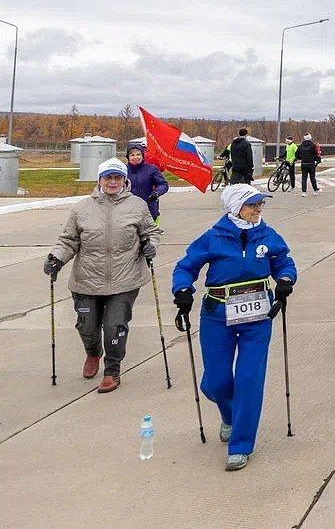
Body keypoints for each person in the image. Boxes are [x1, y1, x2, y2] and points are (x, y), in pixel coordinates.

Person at [172, 184, 296, 470]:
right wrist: (182, 290)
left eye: (260, 204)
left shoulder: (267, 234)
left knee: (249, 379)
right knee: (216, 382)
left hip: (257, 315)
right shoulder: (214, 236)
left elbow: (283, 261)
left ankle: (240, 444)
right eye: (253, 204)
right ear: (235, 207)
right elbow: (186, 266)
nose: (259, 209)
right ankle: (229, 415)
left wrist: (286, 280)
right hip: (218, 313)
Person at [43, 158, 158, 394]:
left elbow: (151, 232)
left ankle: (112, 371)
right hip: (86, 280)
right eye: (108, 177)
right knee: (87, 327)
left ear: (125, 180)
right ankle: (93, 353)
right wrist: (56, 257)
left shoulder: (137, 206)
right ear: (99, 180)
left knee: (115, 326)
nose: (113, 182)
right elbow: (69, 240)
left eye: (117, 177)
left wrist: (150, 245)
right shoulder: (82, 208)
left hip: (124, 279)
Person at [126, 141, 169, 233]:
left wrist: (156, 193)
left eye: (138, 154)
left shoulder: (151, 169)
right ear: (128, 157)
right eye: (132, 155)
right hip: (128, 211)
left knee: (148, 241)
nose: (135, 157)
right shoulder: (123, 170)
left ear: (142, 156)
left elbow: (163, 185)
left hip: (149, 209)